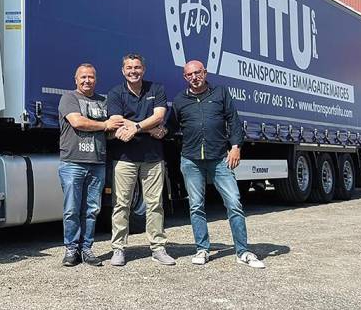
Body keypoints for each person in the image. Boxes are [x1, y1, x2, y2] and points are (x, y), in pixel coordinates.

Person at [172, 60, 266, 269]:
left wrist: (236, 147)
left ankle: (243, 251)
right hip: (191, 159)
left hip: (219, 159)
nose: (194, 77)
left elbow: (233, 120)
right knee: (196, 206)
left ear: (205, 72)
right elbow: (171, 127)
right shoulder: (180, 100)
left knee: (234, 203)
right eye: (189, 75)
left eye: (198, 73)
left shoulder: (220, 93)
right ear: (185, 77)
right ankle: (202, 249)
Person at [106, 54, 176, 266]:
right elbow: (116, 122)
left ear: (143, 69)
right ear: (123, 70)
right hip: (124, 157)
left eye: (137, 67)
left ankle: (158, 248)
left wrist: (136, 127)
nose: (133, 71)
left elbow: (159, 117)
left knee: (155, 204)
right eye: (129, 67)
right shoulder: (116, 93)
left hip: (153, 158)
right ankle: (118, 249)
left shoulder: (156, 89)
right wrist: (148, 128)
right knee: (121, 204)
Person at [58, 63, 121, 267]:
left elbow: (111, 131)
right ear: (75, 79)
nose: (87, 81)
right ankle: (71, 249)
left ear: (96, 79)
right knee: (71, 209)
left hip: (97, 163)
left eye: (91, 77)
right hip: (73, 162)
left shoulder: (104, 101)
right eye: (83, 77)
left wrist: (124, 129)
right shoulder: (69, 98)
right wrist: (105, 125)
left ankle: (87, 248)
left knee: (92, 209)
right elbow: (77, 122)